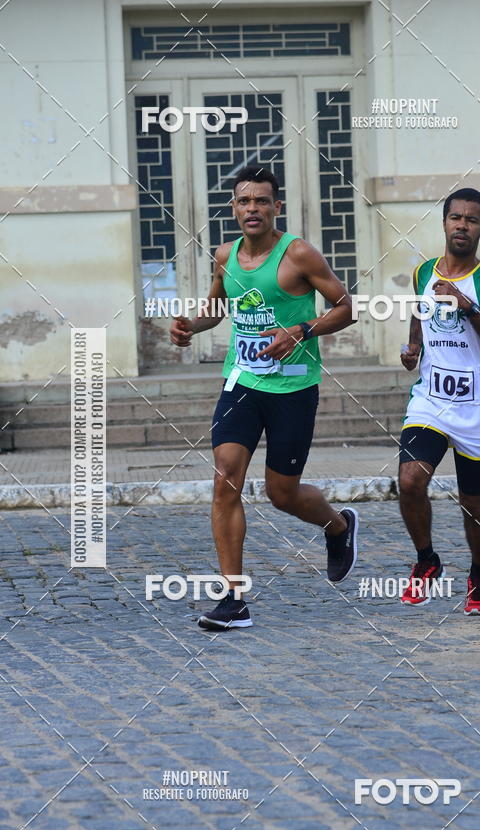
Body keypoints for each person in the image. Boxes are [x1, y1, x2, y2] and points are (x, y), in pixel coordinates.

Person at [170, 165, 358, 630]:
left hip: (293, 386)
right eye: (243, 201)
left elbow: (347, 307)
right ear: (233, 208)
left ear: (276, 207)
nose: (252, 208)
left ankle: (338, 526)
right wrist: (191, 326)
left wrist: (300, 330)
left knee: (281, 493)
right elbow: (217, 307)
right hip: (242, 383)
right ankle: (233, 599)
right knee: (225, 479)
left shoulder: (298, 254)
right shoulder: (224, 255)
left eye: (261, 201)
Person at [399, 188, 480, 615]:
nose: (462, 225)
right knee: (411, 481)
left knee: (473, 502)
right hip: (431, 401)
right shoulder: (423, 272)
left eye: (471, 220)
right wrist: (413, 347)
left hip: (478, 409)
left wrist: (468, 308)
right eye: (455, 218)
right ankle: (427, 560)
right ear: (444, 222)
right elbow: (420, 311)